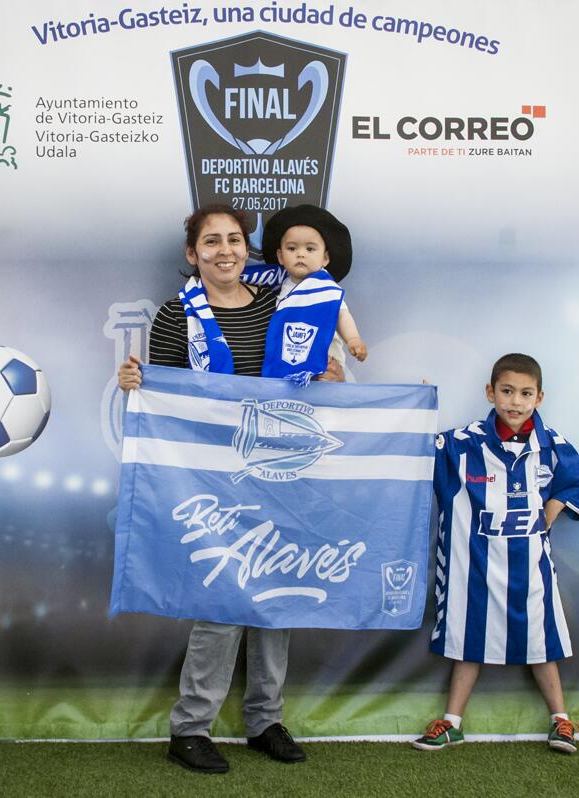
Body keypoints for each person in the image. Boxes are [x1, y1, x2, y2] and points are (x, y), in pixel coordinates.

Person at [118, 205, 343, 774]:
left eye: (235, 240)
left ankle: (265, 719)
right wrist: (134, 383)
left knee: (277, 594)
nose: (225, 250)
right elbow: (165, 400)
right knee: (221, 601)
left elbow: (315, 370)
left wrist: (332, 373)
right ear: (193, 255)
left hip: (283, 472)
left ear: (250, 249)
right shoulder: (177, 316)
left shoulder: (278, 301)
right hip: (212, 477)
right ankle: (190, 727)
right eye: (211, 241)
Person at [413, 353, 579, 754]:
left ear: (539, 398)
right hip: (472, 566)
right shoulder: (461, 444)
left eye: (526, 393)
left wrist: (554, 508)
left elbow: (577, 476)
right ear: (490, 392)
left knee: (541, 642)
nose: (515, 401)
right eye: (507, 391)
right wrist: (417, 411)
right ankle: (452, 722)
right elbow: (422, 452)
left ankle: (561, 721)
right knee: (468, 640)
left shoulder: (551, 444)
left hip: (530, 567)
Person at [240, 204, 366, 385]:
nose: (300, 254)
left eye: (310, 249)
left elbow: (341, 315)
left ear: (325, 258)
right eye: (292, 249)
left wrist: (353, 340)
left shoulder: (327, 289)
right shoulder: (277, 288)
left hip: (325, 365)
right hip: (289, 366)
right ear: (280, 257)